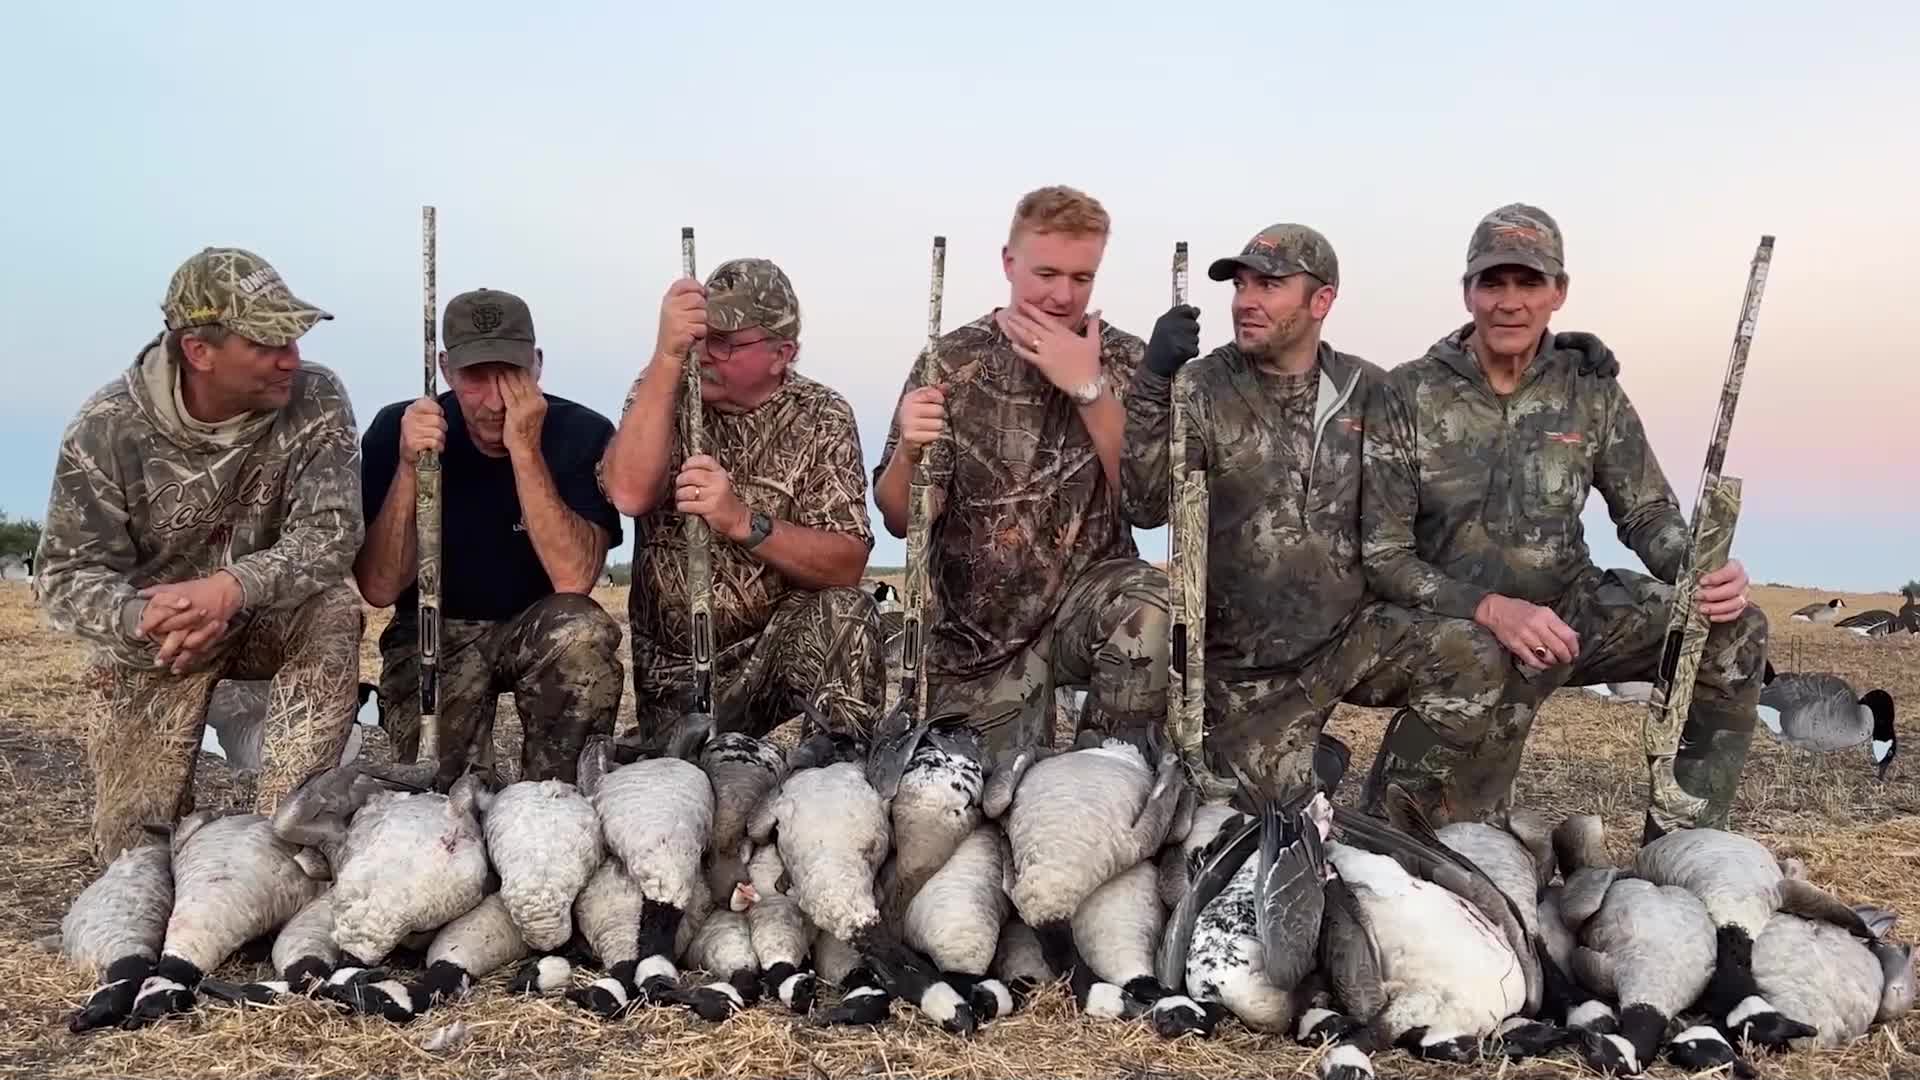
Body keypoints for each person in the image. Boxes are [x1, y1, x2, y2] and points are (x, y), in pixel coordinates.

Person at [1122, 223, 1619, 799]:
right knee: (1257, 809)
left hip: (1352, 640)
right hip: (1244, 667)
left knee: (1470, 653)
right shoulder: (1201, 387)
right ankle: (1307, 764)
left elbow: (1460, 388)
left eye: (1269, 285)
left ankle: (1396, 816)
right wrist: (1156, 381)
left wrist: (1554, 356)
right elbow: (1145, 504)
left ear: (1322, 300)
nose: (1246, 302)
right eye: (1241, 285)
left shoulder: (1371, 388)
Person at [1360, 202, 1767, 832]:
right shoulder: (1405, 393)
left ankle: (1686, 843)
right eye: (1492, 282)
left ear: (1559, 293)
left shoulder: (1591, 388)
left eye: (1529, 283)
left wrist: (1698, 566)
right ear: (1467, 292)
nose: (1510, 302)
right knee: (1438, 842)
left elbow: (1647, 510)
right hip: (1463, 632)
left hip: (1571, 611)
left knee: (1732, 630)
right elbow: (1385, 557)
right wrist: (1490, 608)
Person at [34, 246, 366, 861]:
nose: (291, 358)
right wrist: (143, 618)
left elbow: (331, 534)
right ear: (198, 351)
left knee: (334, 610)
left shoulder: (316, 398)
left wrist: (229, 590)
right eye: (267, 344)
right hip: (166, 640)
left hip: (268, 612)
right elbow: (63, 575)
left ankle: (291, 833)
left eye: (294, 338)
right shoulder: (107, 427)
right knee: (130, 857)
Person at [873, 185, 1167, 755]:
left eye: (1082, 278)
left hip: (1089, 612)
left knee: (1152, 604)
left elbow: (1150, 505)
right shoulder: (950, 362)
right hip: (981, 642)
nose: (1063, 294)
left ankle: (1114, 763)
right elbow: (899, 520)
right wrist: (909, 451)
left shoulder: (1127, 359)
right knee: (970, 804)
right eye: (1047, 273)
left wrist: (1089, 389)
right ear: (1009, 263)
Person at [598, 258, 881, 742]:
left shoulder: (822, 415)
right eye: (701, 336)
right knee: (683, 785)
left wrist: (741, 521)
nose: (705, 354)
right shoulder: (661, 390)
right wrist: (667, 357)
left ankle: (836, 771)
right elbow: (627, 492)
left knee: (847, 611)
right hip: (675, 673)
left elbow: (846, 564)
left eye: (726, 343)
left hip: (772, 653)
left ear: (781, 353)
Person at [355, 287, 624, 789]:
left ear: (538, 365)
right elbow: (379, 587)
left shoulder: (582, 431)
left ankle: (558, 796)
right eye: (476, 378)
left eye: (513, 375)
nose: (496, 399)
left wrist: (524, 449)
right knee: (441, 795)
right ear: (445, 369)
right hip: (435, 627)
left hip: (539, 627)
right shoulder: (398, 427)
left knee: (581, 632)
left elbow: (574, 578)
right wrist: (412, 469)